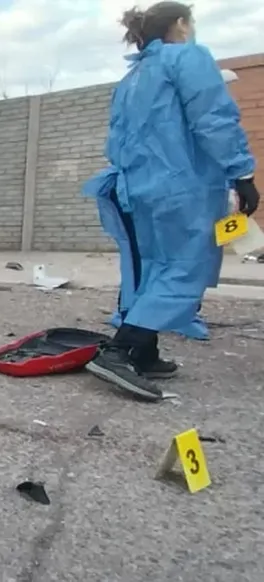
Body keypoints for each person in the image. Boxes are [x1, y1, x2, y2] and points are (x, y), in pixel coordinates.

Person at [83, 1, 259, 401]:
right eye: (191, 21)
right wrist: (242, 172)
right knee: (186, 269)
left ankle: (144, 352)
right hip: (183, 187)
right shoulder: (187, 58)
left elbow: (117, 139)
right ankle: (121, 351)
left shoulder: (132, 77)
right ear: (180, 24)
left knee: (152, 269)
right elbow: (213, 117)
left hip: (139, 189)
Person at [85, 69, 245, 343]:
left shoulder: (198, 125)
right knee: (142, 259)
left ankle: (179, 314)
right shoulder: (161, 119)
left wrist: (231, 190)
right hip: (141, 197)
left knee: (186, 260)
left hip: (185, 201)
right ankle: (129, 320)